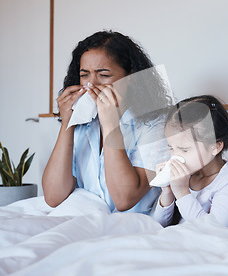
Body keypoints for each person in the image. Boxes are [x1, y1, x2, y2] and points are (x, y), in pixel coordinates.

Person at [42, 30, 172, 214]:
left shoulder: (157, 125)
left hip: (133, 226)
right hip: (84, 220)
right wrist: (67, 124)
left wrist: (111, 124)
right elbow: (53, 197)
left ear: (131, 78)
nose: (91, 85)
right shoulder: (83, 123)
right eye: (84, 75)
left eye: (103, 75)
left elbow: (124, 199)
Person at [151, 95, 228, 229]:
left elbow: (217, 230)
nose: (175, 156)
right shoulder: (189, 174)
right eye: (172, 148)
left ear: (215, 147)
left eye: (184, 150)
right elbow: (158, 225)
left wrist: (182, 192)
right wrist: (167, 192)